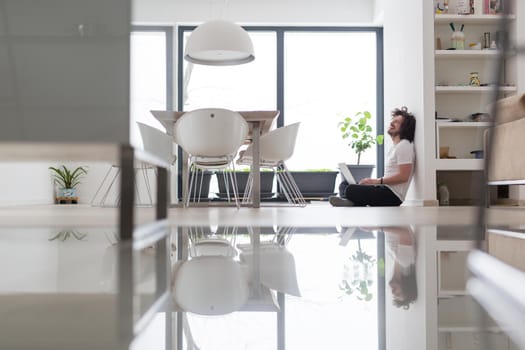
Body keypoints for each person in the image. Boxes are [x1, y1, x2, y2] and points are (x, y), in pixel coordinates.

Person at [329, 106, 416, 207]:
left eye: (397, 122)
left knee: (350, 189)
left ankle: (352, 201)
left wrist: (376, 181)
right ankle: (352, 202)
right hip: (384, 188)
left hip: (393, 196)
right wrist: (374, 183)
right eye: (393, 120)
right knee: (344, 185)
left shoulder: (405, 145)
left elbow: (403, 176)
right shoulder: (396, 147)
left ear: (404, 128)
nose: (392, 123)